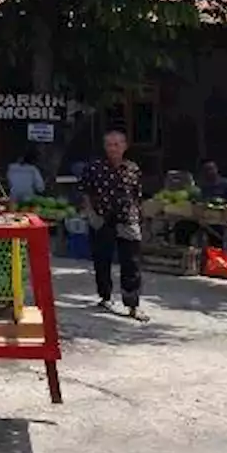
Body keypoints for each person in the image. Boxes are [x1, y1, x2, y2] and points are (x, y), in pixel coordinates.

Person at [81, 130, 147, 321]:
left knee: (132, 263)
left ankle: (133, 305)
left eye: (117, 144)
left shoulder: (132, 169)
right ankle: (105, 296)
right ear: (105, 147)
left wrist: (139, 219)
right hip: (102, 220)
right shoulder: (94, 168)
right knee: (102, 260)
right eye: (109, 144)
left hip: (127, 220)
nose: (113, 148)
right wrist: (92, 216)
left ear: (125, 146)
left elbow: (137, 196)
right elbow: (85, 192)